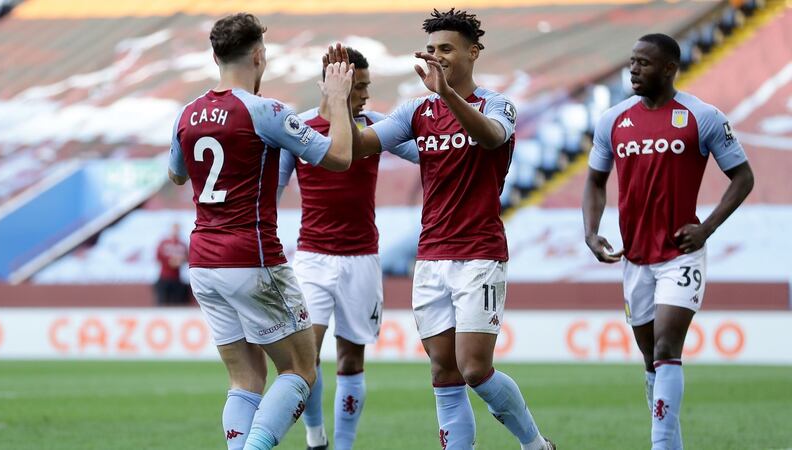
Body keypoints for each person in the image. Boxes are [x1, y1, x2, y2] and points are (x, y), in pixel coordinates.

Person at [333, 9, 554, 450]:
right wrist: (338, 100)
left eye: (447, 49)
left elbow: (492, 137)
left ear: (474, 52)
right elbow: (357, 147)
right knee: (443, 372)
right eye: (432, 49)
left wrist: (448, 95)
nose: (436, 57)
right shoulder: (417, 111)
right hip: (431, 258)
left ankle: (535, 444)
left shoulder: (497, 105)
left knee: (474, 368)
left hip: (479, 254)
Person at [167, 13, 355, 450]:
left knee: (246, 377)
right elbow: (340, 157)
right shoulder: (264, 111)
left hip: (204, 262)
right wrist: (338, 100)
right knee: (301, 369)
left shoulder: (187, 114)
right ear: (257, 56)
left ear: (215, 57)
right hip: (251, 258)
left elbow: (177, 175)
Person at [582, 33, 754, 450]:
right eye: (632, 61)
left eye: (643, 62)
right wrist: (591, 232)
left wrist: (706, 228)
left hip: (681, 255)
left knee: (665, 346)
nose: (633, 69)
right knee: (651, 359)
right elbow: (595, 182)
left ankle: (659, 446)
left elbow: (743, 177)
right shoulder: (612, 120)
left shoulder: (702, 117)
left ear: (669, 68)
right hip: (635, 257)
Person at [278, 47, 419, 450]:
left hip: (362, 260)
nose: (365, 94)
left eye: (367, 86)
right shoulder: (298, 128)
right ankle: (315, 437)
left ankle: (343, 446)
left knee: (351, 360)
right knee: (305, 357)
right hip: (312, 259)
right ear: (331, 84)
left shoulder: (374, 126)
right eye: (357, 87)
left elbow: (428, 157)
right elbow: (272, 192)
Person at [154, 223, 189, 306]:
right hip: (164, 277)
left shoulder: (182, 244)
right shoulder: (164, 243)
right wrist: (171, 261)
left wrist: (180, 261)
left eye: (177, 229)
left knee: (177, 304)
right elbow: (159, 257)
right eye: (174, 229)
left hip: (177, 279)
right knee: (162, 303)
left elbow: (187, 258)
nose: (176, 231)